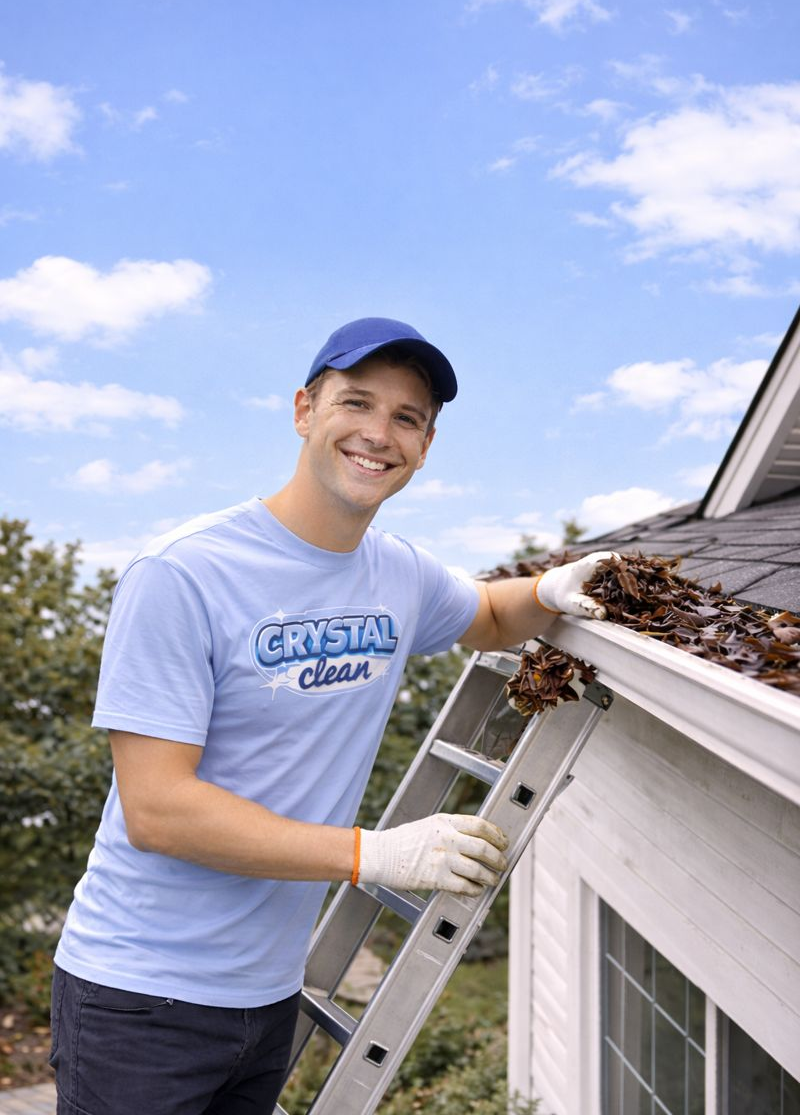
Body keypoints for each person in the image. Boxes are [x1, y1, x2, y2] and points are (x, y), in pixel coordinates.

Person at [49, 317, 611, 1115]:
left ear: (426, 446)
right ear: (305, 410)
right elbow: (158, 810)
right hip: (140, 999)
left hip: (269, 996)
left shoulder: (398, 573)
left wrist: (552, 590)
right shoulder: (184, 573)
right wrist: (371, 855)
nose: (380, 434)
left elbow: (487, 614)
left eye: (408, 418)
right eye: (357, 403)